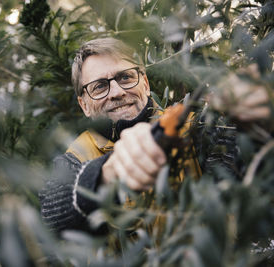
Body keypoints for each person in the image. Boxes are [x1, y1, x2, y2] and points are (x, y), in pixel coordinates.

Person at [39, 37, 270, 234]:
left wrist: (254, 126)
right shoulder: (72, 160)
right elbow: (53, 213)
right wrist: (109, 173)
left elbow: (241, 170)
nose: (118, 92)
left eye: (126, 77)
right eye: (99, 86)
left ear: (146, 83)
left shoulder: (194, 129)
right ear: (84, 105)